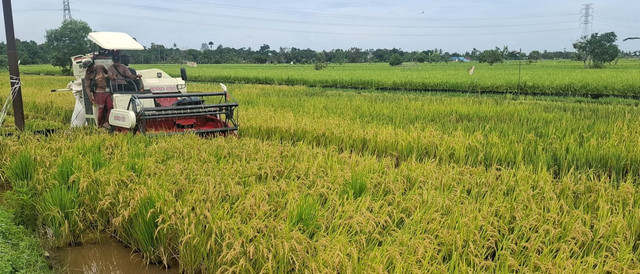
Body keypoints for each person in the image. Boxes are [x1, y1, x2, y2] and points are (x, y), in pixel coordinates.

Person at [83, 60, 112, 129]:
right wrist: (90, 97)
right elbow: (87, 86)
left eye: (90, 66)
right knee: (101, 109)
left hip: (106, 91)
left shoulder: (100, 67)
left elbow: (107, 73)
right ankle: (99, 125)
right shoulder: (87, 74)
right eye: (88, 67)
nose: (89, 68)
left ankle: (106, 122)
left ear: (92, 65)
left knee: (110, 106)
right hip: (97, 92)